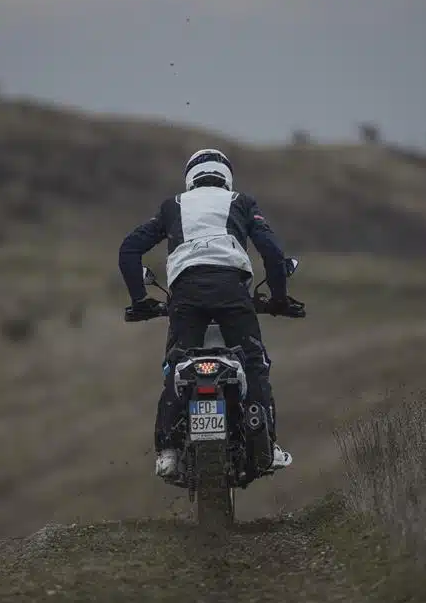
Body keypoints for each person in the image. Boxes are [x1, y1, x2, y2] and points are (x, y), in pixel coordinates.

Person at [118, 148, 305, 480]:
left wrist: (140, 299)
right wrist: (279, 298)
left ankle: (168, 452)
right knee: (254, 362)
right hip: (232, 291)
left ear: (190, 177)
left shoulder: (172, 206)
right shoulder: (242, 202)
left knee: (175, 367)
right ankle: (268, 445)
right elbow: (273, 253)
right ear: (226, 176)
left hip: (185, 296)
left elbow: (129, 249)